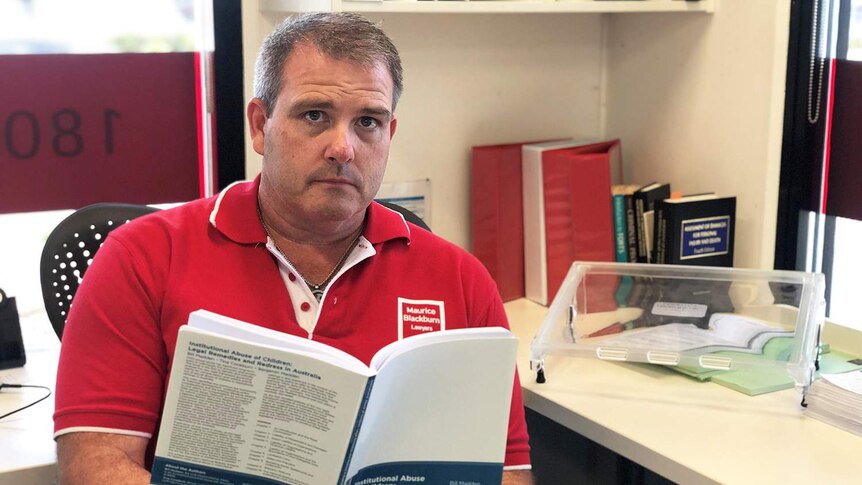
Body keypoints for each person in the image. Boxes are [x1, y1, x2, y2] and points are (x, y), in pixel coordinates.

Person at [53, 12, 533, 484]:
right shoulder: (141, 258)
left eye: (367, 121)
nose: (342, 148)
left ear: (388, 136)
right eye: (315, 115)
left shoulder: (461, 281)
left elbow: (506, 472)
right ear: (260, 125)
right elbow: (94, 465)